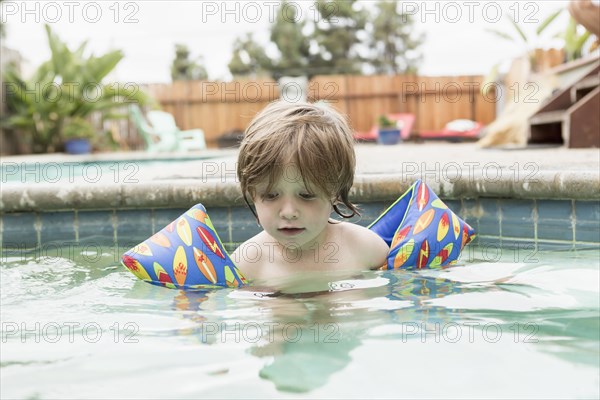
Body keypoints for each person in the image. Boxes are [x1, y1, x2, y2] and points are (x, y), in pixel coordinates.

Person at [232, 100, 389, 283]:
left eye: (306, 195)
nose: (289, 212)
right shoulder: (247, 263)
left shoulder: (364, 247)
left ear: (335, 192)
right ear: (253, 193)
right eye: (271, 195)